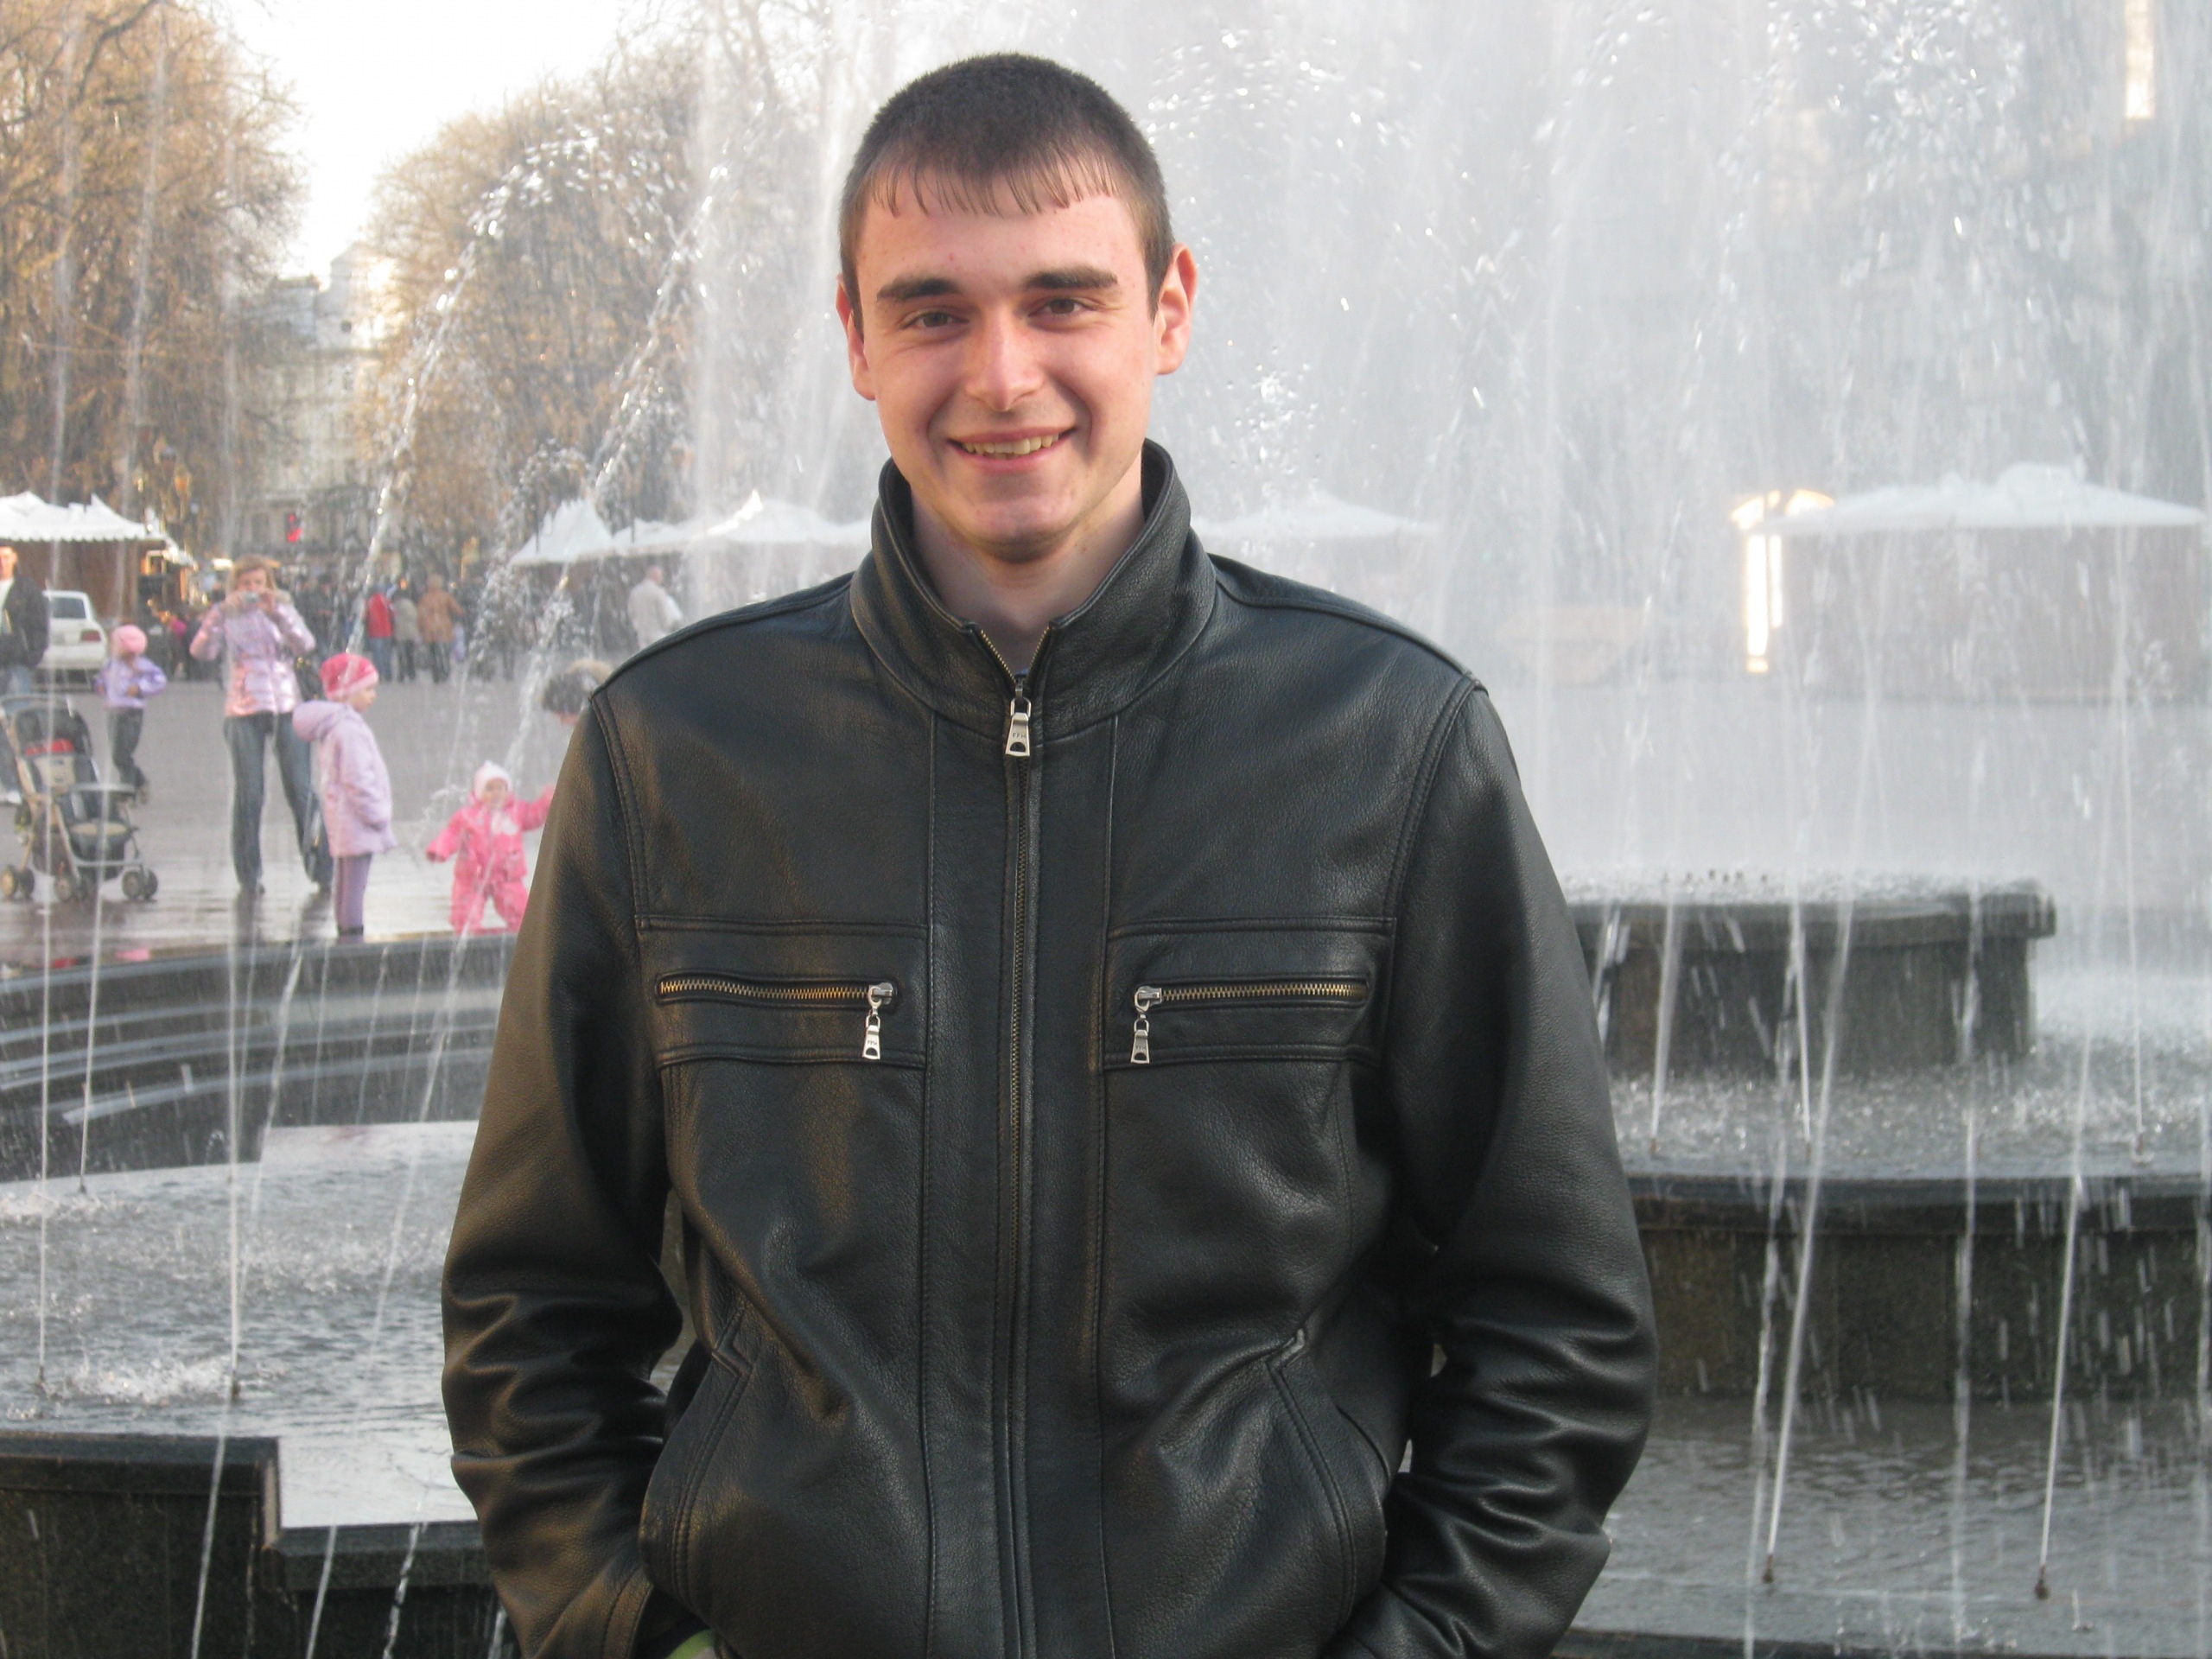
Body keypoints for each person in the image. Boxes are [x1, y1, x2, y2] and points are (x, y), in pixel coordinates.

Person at [443, 55, 1653, 1659]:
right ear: (856, 338)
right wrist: (632, 1636)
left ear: (1169, 310)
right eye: (933, 312)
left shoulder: (1391, 741)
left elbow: (1556, 1319)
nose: (1002, 376)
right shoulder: (674, 751)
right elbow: (531, 1307)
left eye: (1063, 301)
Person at [190, 556, 330, 895]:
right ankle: (249, 874)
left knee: (301, 788)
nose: (253, 591)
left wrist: (278, 613)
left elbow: (306, 644)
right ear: (235, 587)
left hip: (286, 703)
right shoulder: (227, 615)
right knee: (249, 792)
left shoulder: (282, 609)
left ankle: (322, 868)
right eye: (246, 584)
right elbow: (202, 652)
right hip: (244, 706)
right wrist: (217, 615)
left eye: (259, 583)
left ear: (269, 585)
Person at [292, 652, 391, 939]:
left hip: (342, 818)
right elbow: (357, 779)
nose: (373, 696)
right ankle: (352, 934)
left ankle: (345, 930)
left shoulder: (335, 726)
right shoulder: (349, 730)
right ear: (348, 692)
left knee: (345, 880)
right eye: (368, 689)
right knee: (355, 884)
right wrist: (377, 814)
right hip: (357, 818)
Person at [425, 760, 552, 935]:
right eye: (490, 789)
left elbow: (534, 816)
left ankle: (524, 935)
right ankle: (467, 936)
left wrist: (547, 802)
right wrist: (439, 849)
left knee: (521, 910)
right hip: (473, 877)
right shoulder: (468, 816)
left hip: (507, 877)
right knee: (466, 911)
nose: (496, 794)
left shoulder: (517, 812)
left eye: (502, 788)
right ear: (479, 793)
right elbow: (452, 834)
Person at [96, 624, 167, 798]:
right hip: (113, 712)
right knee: (117, 754)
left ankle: (126, 791)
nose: (112, 647)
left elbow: (159, 681)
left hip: (131, 713)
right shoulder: (110, 664)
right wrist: (100, 686)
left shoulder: (141, 665)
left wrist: (140, 688)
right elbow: (102, 679)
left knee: (123, 753)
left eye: (116, 644)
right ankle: (140, 781)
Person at [0, 544, 48, 696]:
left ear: (14, 558)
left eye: (6, 557)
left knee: (15, 707)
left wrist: (30, 658)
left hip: (17, 665)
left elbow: (39, 626)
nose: (2, 563)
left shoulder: (27, 590)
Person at [416, 572, 464, 684]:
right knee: (445, 651)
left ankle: (436, 674)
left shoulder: (425, 598)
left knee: (432, 652)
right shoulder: (446, 596)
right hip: (444, 627)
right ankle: (445, 671)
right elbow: (458, 610)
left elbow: (420, 615)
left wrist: (420, 628)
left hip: (429, 628)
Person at [626, 563, 683, 651]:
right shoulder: (658, 592)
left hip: (642, 634)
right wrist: (669, 627)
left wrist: (637, 626)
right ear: (655, 576)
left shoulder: (635, 592)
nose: (661, 579)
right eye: (660, 576)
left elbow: (631, 612)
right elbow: (664, 615)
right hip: (657, 633)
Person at [362, 585, 395, 680]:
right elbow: (393, 614)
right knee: (387, 654)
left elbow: (365, 616)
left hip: (375, 632)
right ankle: (388, 674)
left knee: (377, 655)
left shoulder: (370, 602)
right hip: (387, 631)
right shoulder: (387, 601)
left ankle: (379, 674)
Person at [391, 584, 421, 683]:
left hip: (401, 633)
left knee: (402, 655)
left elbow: (394, 618)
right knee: (410, 655)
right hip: (411, 632)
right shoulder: (411, 605)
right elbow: (415, 617)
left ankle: (402, 674)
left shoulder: (397, 606)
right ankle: (412, 674)